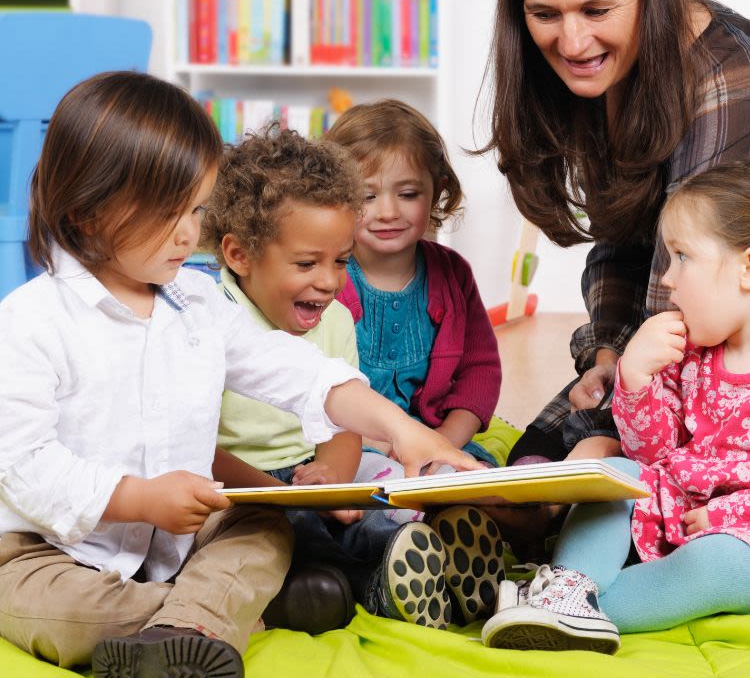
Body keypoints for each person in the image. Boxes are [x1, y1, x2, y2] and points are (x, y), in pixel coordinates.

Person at [0, 72, 479, 677]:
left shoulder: (197, 304)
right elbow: (25, 464)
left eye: (196, 209)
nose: (189, 232)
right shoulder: (30, 321)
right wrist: (139, 499)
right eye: (167, 213)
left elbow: (294, 371)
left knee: (263, 524)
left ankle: (187, 627)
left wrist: (400, 427)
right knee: (57, 612)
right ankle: (225, 617)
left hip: (178, 542)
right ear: (88, 212)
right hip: (50, 551)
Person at [480, 0, 750, 470]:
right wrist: (604, 354)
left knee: (556, 476)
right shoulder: (608, 70)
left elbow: (683, 299)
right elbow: (620, 243)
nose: (572, 42)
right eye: (544, 15)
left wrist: (604, 408)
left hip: (721, 366)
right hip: (663, 344)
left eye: (597, 11)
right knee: (528, 469)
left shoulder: (726, 80)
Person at [481, 161, 750, 654]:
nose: (666, 279)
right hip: (673, 508)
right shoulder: (687, 352)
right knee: (615, 471)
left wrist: (728, 516)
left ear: (746, 269)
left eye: (683, 257)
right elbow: (652, 452)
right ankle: (566, 585)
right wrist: (635, 377)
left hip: (735, 536)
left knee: (721, 564)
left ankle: (577, 612)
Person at [199, 127, 401, 634]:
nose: (330, 281)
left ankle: (404, 557)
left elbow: (344, 426)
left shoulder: (335, 320)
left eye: (341, 262)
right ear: (239, 254)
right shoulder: (204, 317)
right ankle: (359, 584)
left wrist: (330, 478)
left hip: (311, 475)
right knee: (274, 533)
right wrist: (283, 495)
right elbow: (193, 446)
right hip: (238, 486)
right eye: (308, 263)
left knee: (383, 493)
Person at [326, 99, 506, 628]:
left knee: (490, 487)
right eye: (366, 197)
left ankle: (466, 562)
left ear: (436, 194)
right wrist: (388, 444)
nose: (388, 212)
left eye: (408, 194)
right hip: (354, 445)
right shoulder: (327, 278)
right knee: (364, 502)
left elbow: (480, 370)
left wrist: (447, 443)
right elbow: (314, 386)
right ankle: (401, 558)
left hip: (435, 439)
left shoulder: (450, 272)